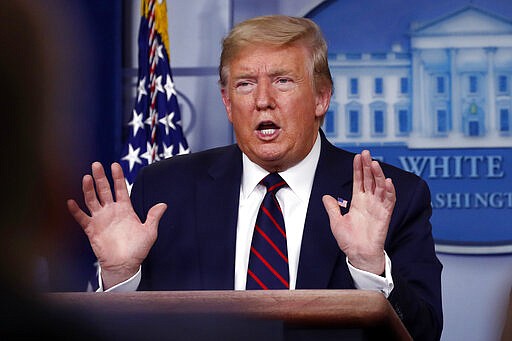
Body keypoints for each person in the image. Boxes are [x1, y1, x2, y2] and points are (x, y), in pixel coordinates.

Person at [67, 15, 442, 340]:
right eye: (245, 84)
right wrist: (121, 277)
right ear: (228, 103)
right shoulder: (165, 190)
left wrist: (369, 267)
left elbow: (424, 333)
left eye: (282, 81)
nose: (263, 99)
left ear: (321, 98)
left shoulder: (392, 196)